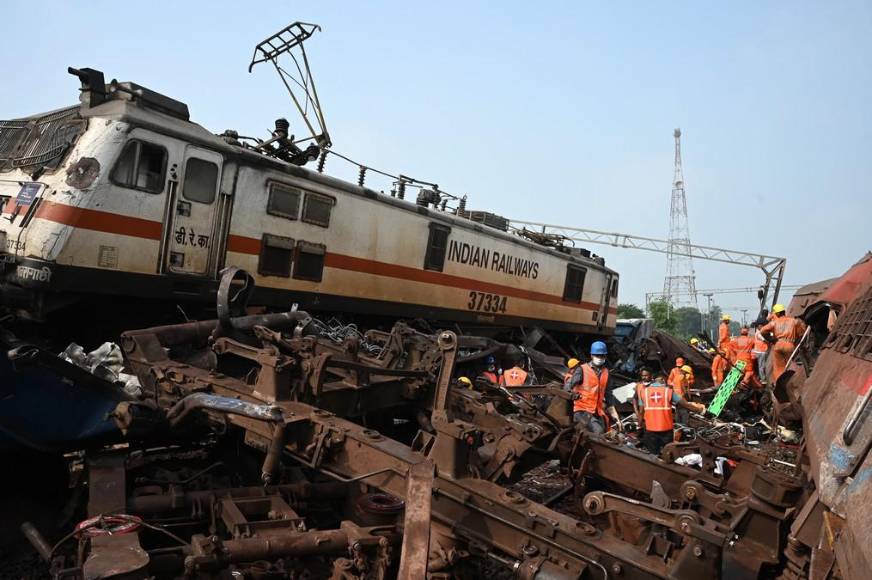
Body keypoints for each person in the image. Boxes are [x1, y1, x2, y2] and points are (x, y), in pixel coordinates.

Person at [637, 374, 705, 455]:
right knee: (668, 454)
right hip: (666, 429)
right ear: (663, 380)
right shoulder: (668, 391)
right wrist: (700, 410)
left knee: (653, 454)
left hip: (650, 429)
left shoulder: (644, 392)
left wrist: (639, 426)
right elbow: (686, 405)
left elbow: (641, 412)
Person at [569, 341, 619, 434]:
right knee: (598, 432)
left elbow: (609, 396)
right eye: (597, 355)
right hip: (582, 410)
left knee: (606, 432)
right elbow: (569, 386)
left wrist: (616, 417)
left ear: (605, 356)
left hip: (597, 411)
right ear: (591, 355)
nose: (600, 358)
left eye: (602, 356)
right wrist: (572, 395)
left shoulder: (606, 373)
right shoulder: (582, 369)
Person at [756, 304, 807, 383]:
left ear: (777, 313)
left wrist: (772, 340)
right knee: (791, 365)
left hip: (778, 345)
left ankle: (779, 383)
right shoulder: (794, 321)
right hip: (789, 344)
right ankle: (793, 382)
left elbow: (762, 331)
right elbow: (801, 334)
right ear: (784, 312)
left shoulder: (774, 322)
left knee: (778, 368)